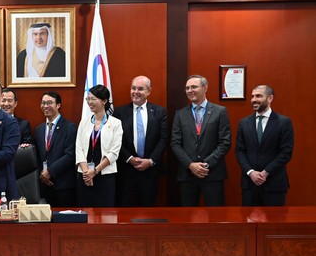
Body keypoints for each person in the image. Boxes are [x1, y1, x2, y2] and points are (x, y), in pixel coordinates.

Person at [171, 75, 231, 206]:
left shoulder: (220, 111)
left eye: (194, 87)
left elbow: (225, 142)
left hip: (212, 173)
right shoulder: (180, 114)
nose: (190, 90)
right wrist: (191, 165)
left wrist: (205, 164)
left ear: (205, 88)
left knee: (216, 215)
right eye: (187, 88)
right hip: (187, 174)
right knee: (188, 215)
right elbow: (175, 143)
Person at [113, 75, 168, 207]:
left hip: (150, 171)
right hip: (126, 170)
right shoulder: (119, 112)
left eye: (140, 89)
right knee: (125, 210)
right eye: (133, 88)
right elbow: (115, 140)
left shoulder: (159, 112)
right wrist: (129, 158)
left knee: (148, 210)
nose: (136, 92)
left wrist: (150, 161)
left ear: (149, 91)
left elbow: (164, 139)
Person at [235, 85, 294, 206]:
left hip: (274, 184)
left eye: (258, 96)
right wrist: (251, 172)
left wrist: (265, 173)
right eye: (252, 96)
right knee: (248, 217)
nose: (254, 99)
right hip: (249, 184)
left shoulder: (284, 122)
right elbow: (239, 151)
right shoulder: (244, 123)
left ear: (270, 98)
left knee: (275, 218)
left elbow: (286, 152)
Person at [75, 84, 123, 207]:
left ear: (104, 101)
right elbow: (79, 149)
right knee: (86, 212)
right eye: (88, 99)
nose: (90, 102)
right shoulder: (84, 122)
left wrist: (95, 171)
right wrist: (87, 173)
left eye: (93, 99)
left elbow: (114, 153)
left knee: (106, 213)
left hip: (105, 175)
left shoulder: (116, 123)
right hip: (84, 175)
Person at [34, 91, 77, 207]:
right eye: (43, 103)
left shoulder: (69, 127)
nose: (45, 106)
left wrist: (50, 172)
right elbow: (36, 156)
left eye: (49, 103)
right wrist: (43, 175)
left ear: (58, 105)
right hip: (44, 184)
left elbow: (70, 155)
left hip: (63, 185)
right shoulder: (39, 129)